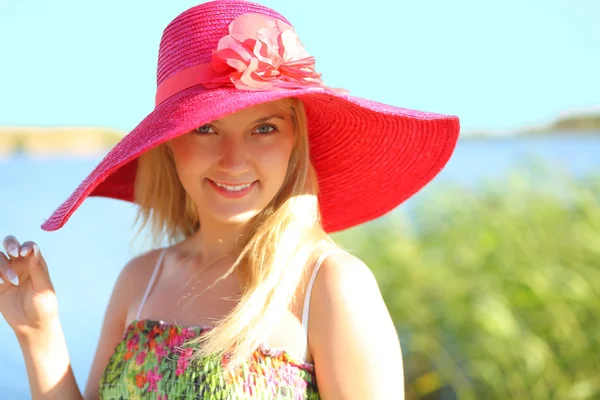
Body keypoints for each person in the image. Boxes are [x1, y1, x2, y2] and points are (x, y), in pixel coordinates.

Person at [0, 0, 459, 398]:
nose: (233, 161)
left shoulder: (331, 286)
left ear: (294, 141)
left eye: (264, 129)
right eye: (205, 129)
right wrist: (38, 334)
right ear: (169, 145)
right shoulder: (140, 281)